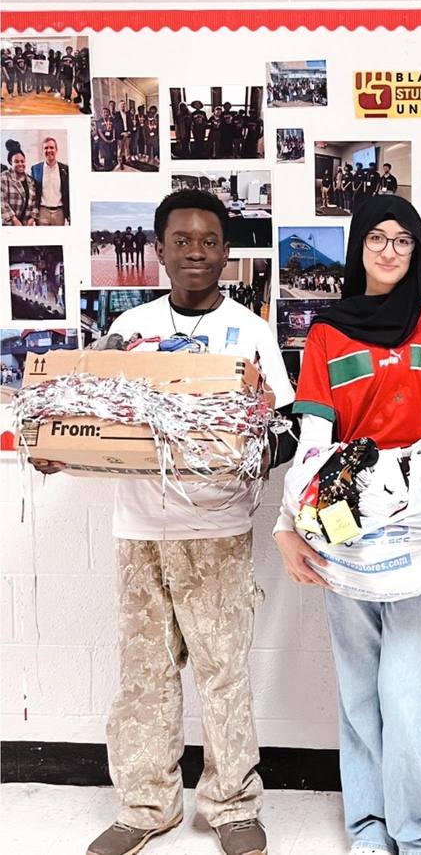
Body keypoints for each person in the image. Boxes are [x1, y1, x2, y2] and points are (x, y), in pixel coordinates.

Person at [28, 189, 299, 855]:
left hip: (218, 532)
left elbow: (288, 427)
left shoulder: (251, 331)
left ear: (227, 253)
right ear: (159, 250)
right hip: (139, 531)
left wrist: (253, 452)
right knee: (144, 673)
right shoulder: (131, 332)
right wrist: (61, 451)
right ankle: (146, 806)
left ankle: (233, 806)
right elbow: (94, 420)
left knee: (223, 670)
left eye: (209, 241)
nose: (196, 253)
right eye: (181, 241)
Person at [272, 195, 421, 855]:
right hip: (346, 532)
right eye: (377, 239)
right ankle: (368, 830)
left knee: (404, 688)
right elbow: (314, 440)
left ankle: (420, 835)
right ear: (357, 248)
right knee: (359, 689)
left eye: (403, 240)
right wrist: (287, 527)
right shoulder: (327, 334)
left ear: (416, 251)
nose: (391, 250)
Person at [30, 136, 71, 226]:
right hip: (42, 212)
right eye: (46, 148)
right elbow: (32, 193)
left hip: (59, 212)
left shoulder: (65, 170)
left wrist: (69, 214)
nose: (49, 150)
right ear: (42, 150)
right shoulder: (35, 169)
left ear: (56, 150)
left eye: (51, 147)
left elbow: (68, 192)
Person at [2, 141, 38, 226]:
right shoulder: (4, 177)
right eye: (16, 161)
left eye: (22, 161)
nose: (20, 164)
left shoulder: (30, 180)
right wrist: (14, 220)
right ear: (11, 162)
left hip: (26, 224)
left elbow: (34, 202)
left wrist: (32, 219)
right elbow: (2, 202)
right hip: (10, 223)